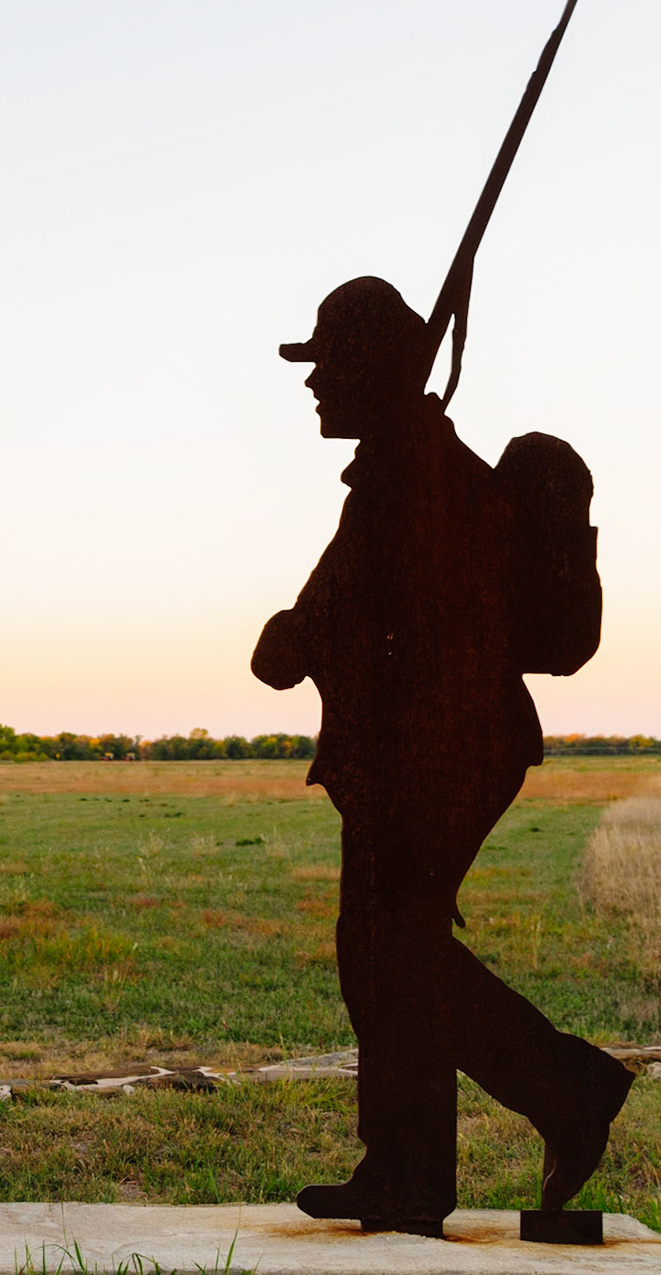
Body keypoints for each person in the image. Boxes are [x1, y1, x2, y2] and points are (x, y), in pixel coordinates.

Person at [253, 277, 632, 1236]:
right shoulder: (398, 467)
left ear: (373, 368)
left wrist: (296, 636)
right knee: (381, 957)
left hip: (437, 755)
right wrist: (301, 633)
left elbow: (390, 619)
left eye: (326, 364)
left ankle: (564, 1091)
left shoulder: (418, 473)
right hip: (416, 755)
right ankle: (409, 1171)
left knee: (394, 957)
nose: (313, 386)